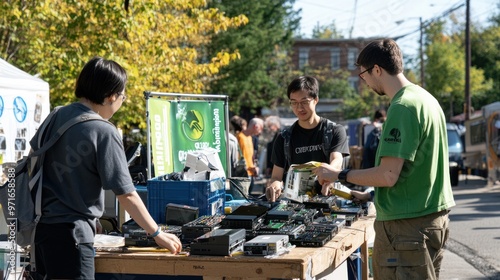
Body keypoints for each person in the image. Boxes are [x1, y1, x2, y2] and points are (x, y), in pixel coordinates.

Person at [313, 39, 456, 280]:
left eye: (364, 74)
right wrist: (370, 195)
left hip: (406, 229)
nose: (365, 81)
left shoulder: (402, 107)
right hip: (430, 220)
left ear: (376, 69)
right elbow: (414, 170)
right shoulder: (426, 99)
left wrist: (338, 175)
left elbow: (388, 175)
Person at [31, 57, 182, 279]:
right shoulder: (103, 130)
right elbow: (127, 194)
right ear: (111, 96)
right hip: (73, 235)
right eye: (123, 96)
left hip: (41, 233)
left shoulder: (56, 116)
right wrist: (157, 233)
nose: (122, 101)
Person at [265, 75, 349, 202]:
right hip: (295, 204)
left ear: (316, 100)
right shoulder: (284, 137)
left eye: (304, 102)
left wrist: (329, 176)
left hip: (328, 200)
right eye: (294, 102)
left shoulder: (335, 130)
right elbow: (276, 176)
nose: (299, 108)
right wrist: (275, 185)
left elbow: (337, 161)